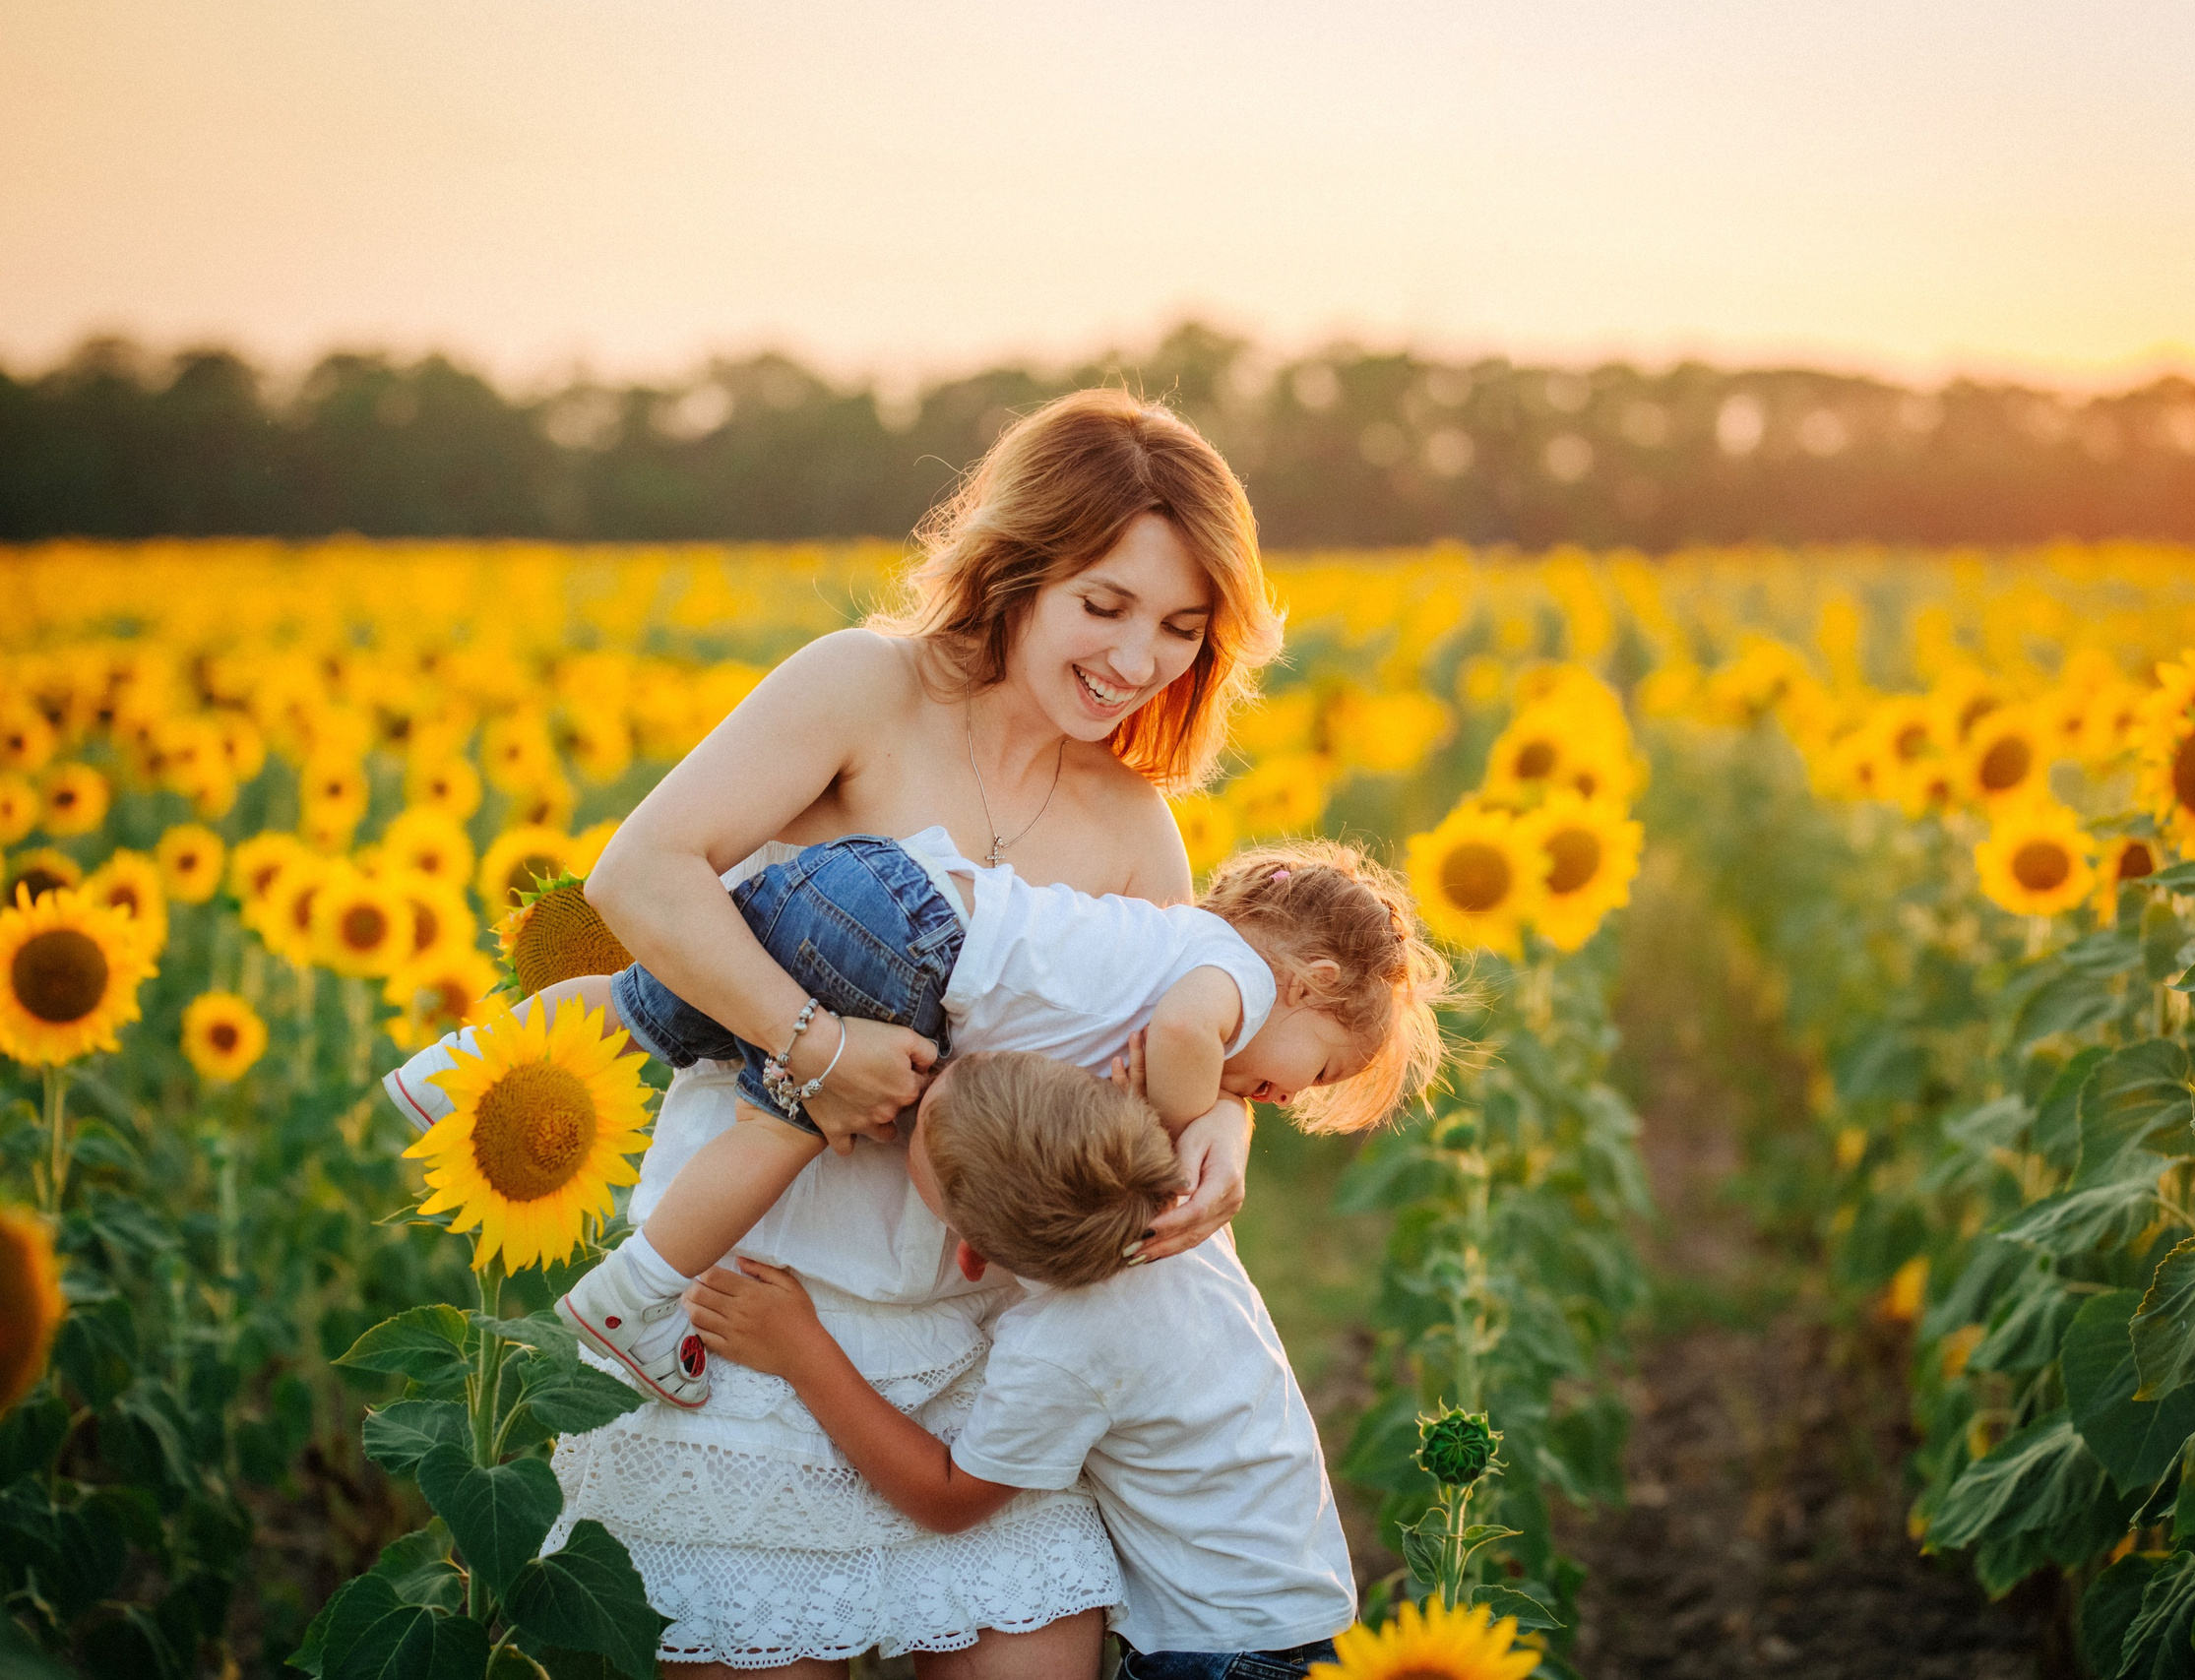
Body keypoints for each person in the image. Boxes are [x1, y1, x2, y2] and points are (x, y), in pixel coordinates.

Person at [489, 388, 1280, 1678]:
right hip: (745, 1309)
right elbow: (644, 875)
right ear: (1015, 569)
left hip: (983, 1352)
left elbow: (1184, 1018)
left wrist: (1224, 1121)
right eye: (1107, 604)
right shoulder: (863, 687)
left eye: (1183, 629)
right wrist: (807, 1040)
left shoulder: (1139, 827)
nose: (1141, 659)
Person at [385, 836, 1448, 1411]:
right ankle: (634, 1300)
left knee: (645, 1007)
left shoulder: (1174, 932)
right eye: (1313, 1074)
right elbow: (1183, 1039)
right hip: (913, 954)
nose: (1274, 1097)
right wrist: (1174, 1116)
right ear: (1307, 985)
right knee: (784, 1124)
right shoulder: (1230, 990)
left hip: (878, 876)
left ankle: (450, 1075)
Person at [683, 1042, 1358, 1679]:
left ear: (969, 1255)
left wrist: (803, 1351)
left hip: (1219, 1649)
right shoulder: (1181, 1216)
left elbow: (948, 1497)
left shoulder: (1059, 1345)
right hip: (1291, 1606)